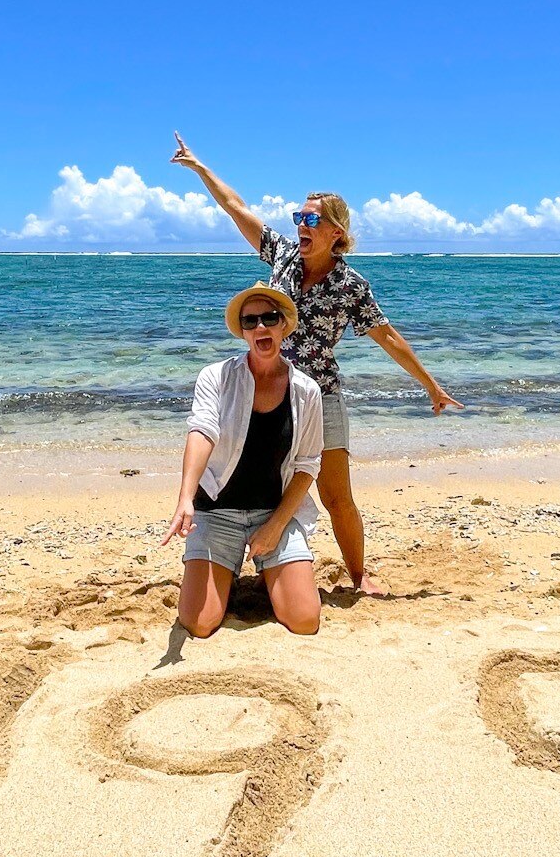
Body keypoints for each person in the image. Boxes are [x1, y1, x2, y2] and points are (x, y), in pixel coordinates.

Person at [171, 135, 462, 595]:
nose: (301, 225)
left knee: (334, 493)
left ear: (335, 232)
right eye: (298, 217)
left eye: (311, 219)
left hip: (318, 395)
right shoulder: (283, 255)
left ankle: (359, 573)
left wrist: (431, 385)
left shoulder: (351, 285)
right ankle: (231, 556)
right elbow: (236, 207)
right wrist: (200, 168)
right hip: (260, 387)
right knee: (242, 477)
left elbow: (387, 335)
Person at [162, 283, 324, 640]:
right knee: (200, 623)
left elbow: (307, 465)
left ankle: (270, 573)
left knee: (304, 620)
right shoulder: (216, 377)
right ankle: (224, 570)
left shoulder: (307, 391)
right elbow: (202, 431)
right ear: (243, 331)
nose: (261, 327)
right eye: (250, 321)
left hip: (274, 513)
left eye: (270, 318)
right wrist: (186, 497)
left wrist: (275, 526)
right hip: (216, 513)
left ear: (284, 325)